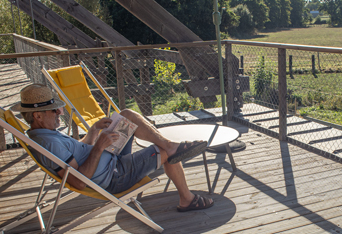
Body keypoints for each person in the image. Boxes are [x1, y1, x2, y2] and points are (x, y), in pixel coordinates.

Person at [11, 84, 214, 212]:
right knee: (163, 153)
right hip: (114, 176)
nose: (59, 112)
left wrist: (93, 131)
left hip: (108, 160)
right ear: (37, 116)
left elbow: (79, 152)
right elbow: (78, 181)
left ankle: (172, 146)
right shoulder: (49, 143)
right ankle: (186, 198)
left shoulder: (43, 134)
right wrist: (99, 146)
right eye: (54, 109)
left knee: (127, 116)